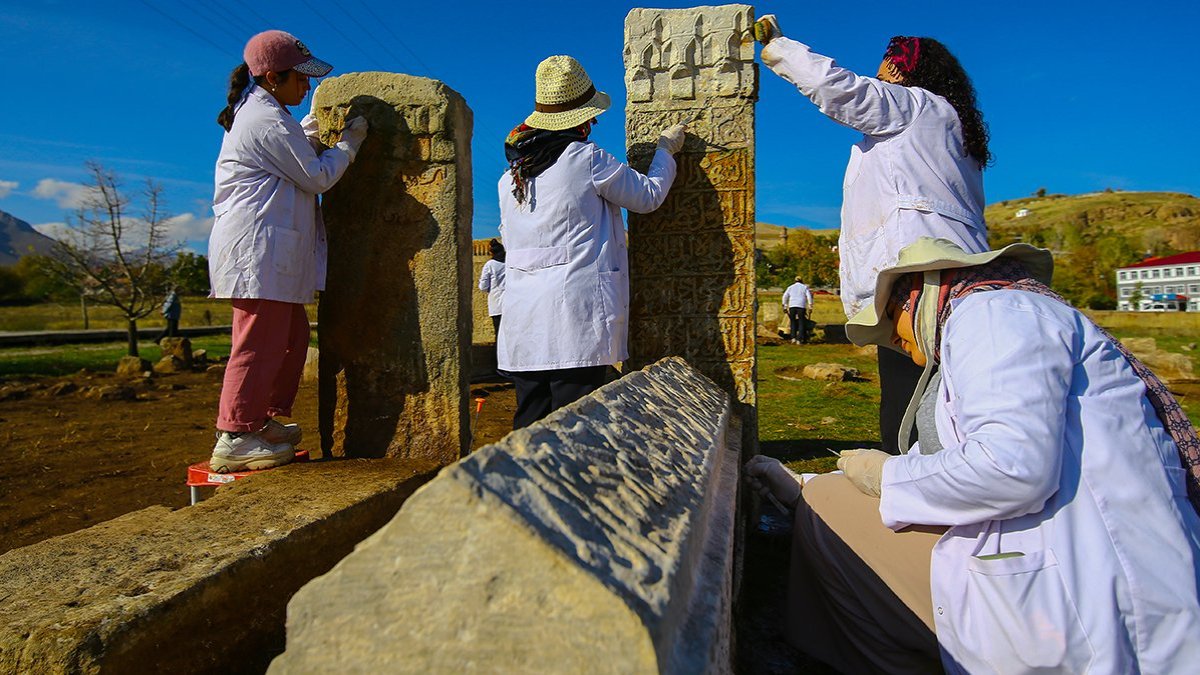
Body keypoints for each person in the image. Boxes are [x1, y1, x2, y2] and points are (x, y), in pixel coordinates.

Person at [747, 237, 1200, 673]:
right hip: (1058, 562)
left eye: (891, 327)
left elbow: (1010, 466)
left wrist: (885, 478)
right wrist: (812, 483)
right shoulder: (997, 316)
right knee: (825, 495)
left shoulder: (993, 314)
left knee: (826, 512)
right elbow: (948, 453)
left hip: (1084, 598)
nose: (894, 342)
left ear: (913, 297)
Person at [754, 16, 991, 454]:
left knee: (912, 401)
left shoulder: (913, 106)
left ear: (900, 69)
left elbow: (841, 90)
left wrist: (780, 48)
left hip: (919, 274)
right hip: (954, 272)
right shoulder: (952, 127)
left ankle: (920, 489)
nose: (878, 73)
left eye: (884, 65)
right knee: (949, 394)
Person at [207, 30, 368, 473]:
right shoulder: (263, 119)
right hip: (256, 248)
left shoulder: (269, 113)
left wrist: (315, 121)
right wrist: (349, 144)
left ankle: (259, 419)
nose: (307, 86)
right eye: (302, 78)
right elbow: (315, 174)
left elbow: (294, 146)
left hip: (271, 249)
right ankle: (236, 433)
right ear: (274, 77)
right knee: (258, 343)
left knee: (291, 338)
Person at [498, 55, 685, 430]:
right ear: (581, 119)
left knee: (530, 424)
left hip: (524, 319)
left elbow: (509, 236)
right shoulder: (584, 158)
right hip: (574, 317)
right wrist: (666, 152)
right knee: (575, 426)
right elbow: (647, 197)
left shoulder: (510, 178)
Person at [478, 238, 506, 337]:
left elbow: (483, 287)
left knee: (498, 332)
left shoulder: (490, 265)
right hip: (510, 301)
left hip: (496, 303)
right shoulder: (509, 263)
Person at [781, 276, 813, 343]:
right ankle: (799, 339)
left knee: (792, 321)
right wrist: (810, 306)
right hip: (801, 306)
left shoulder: (790, 287)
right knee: (801, 322)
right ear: (801, 281)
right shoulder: (804, 287)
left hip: (792, 306)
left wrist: (785, 306)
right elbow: (809, 297)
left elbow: (785, 296)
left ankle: (793, 338)